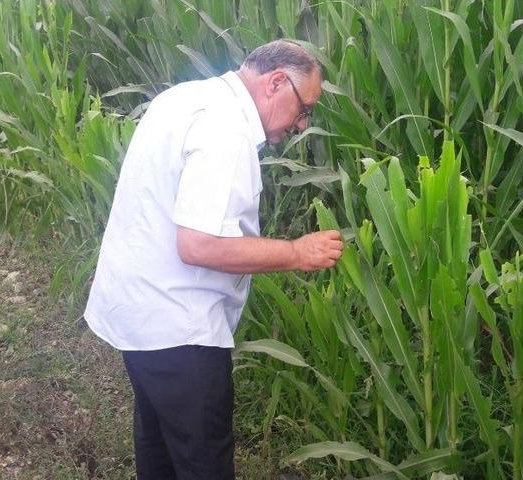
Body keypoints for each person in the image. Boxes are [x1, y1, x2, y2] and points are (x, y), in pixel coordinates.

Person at [83, 40, 343, 479]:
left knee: (161, 457)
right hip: (179, 329)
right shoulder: (226, 131)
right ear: (276, 82)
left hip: (140, 317)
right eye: (304, 110)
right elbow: (199, 244)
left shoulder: (187, 97)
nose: (301, 126)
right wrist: (298, 252)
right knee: (203, 466)